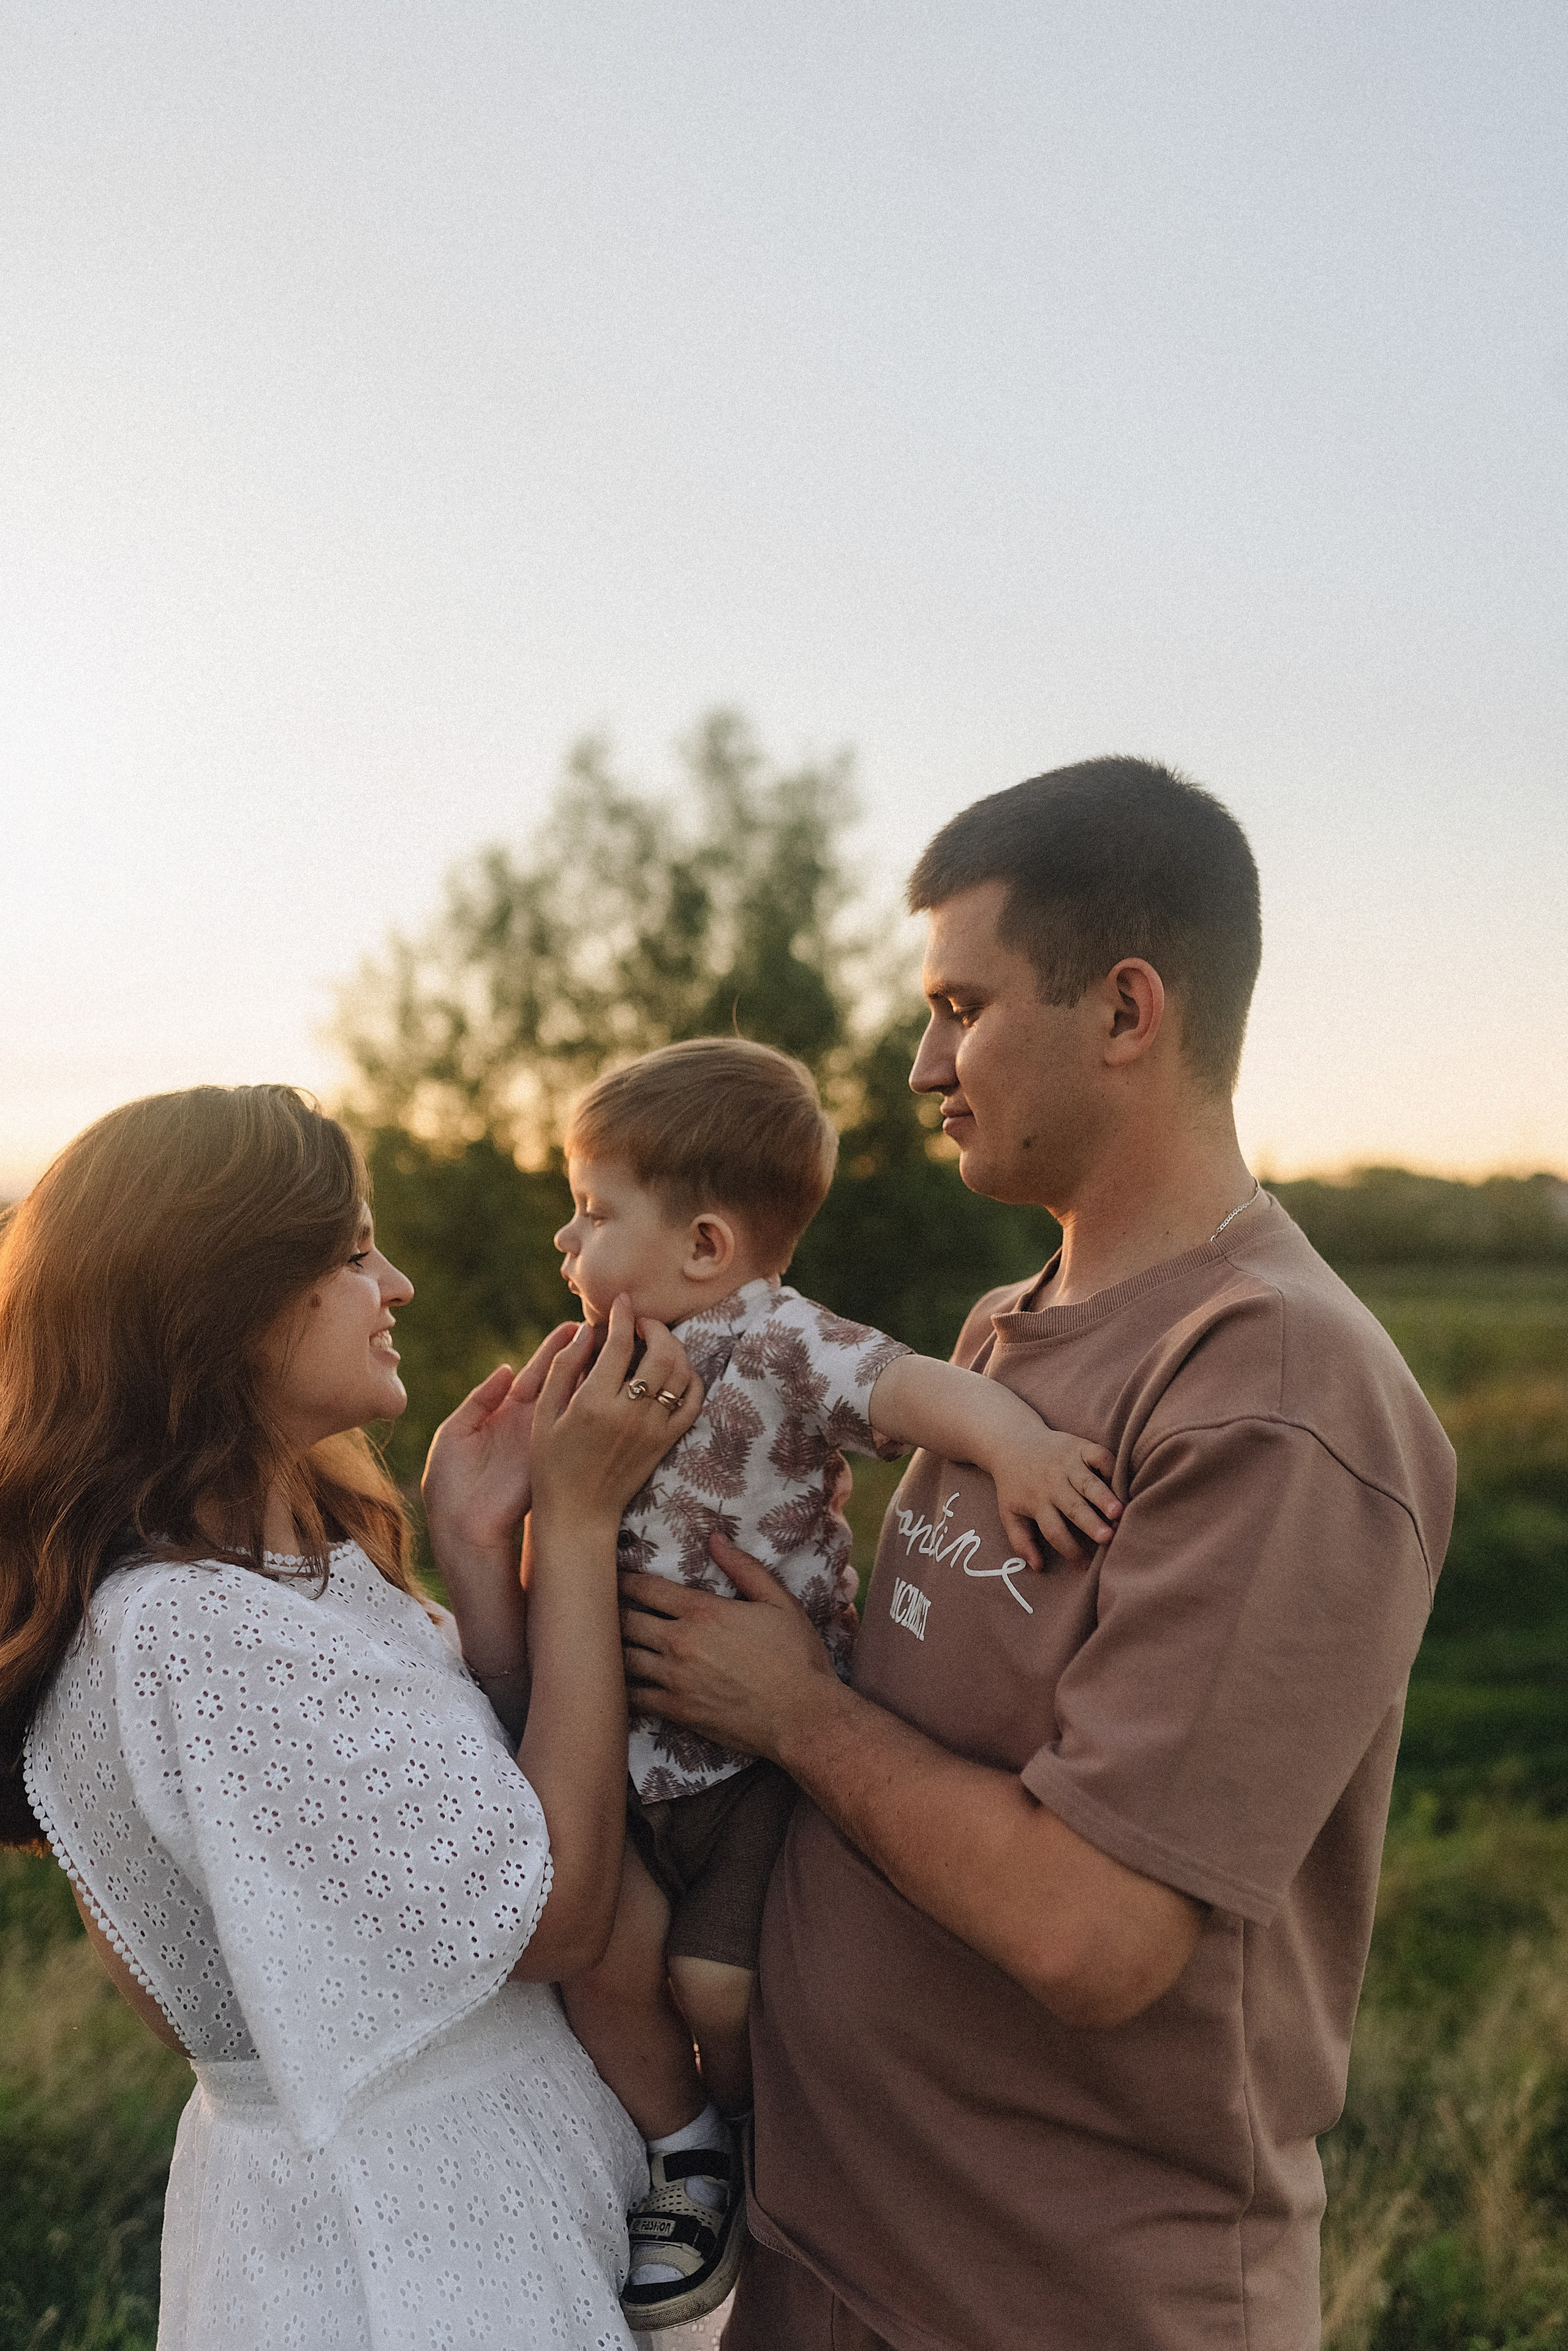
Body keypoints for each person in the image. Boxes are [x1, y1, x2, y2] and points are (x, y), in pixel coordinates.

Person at [619, 758, 1458, 2351]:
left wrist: (793, 1709)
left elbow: (1098, 1930)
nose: (923, 1060)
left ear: (1126, 1009)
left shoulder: (1273, 1387)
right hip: (831, 2245)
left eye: (961, 1005)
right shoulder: (1003, 1332)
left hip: (1047, 2299)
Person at [0, 1082, 703, 2351]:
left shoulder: (291, 1577)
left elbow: (497, 1815)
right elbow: (553, 1913)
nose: (398, 1285)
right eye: (352, 1251)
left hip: (478, 2181)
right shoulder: (193, 1631)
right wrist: (581, 1524)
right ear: (228, 1302)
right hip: (413, 2247)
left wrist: (478, 1554)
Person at [548, 1038, 1121, 2331]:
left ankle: (760, 2149)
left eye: (591, 1210)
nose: (562, 1239)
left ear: (704, 1243)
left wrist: (1018, 1443)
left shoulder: (772, 1335)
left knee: (714, 1985)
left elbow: (909, 1388)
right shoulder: (593, 1354)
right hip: (621, 1751)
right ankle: (681, 2153)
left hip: (748, 1764)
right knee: (597, 1951)